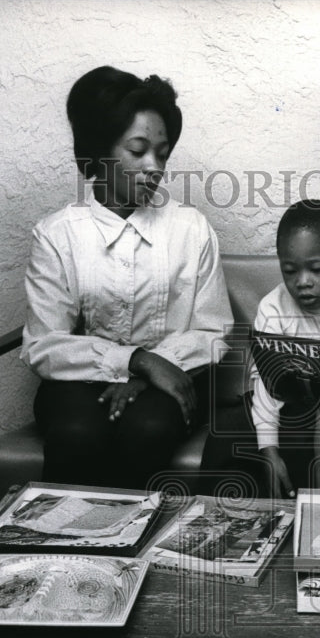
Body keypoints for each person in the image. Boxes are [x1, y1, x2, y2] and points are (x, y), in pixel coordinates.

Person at [21, 66, 233, 489]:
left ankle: (141, 548)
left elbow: (213, 331)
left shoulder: (190, 229)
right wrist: (136, 360)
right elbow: (44, 345)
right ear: (100, 151)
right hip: (78, 383)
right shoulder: (58, 234)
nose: (154, 166)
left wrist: (152, 373)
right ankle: (62, 549)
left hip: (172, 378)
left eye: (162, 152)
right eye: (138, 150)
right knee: (78, 435)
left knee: (147, 431)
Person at [200, 200, 320, 498]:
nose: (302, 282)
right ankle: (212, 517)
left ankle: (302, 524)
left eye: (316, 269)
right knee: (228, 427)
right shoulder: (273, 306)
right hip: (282, 411)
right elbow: (265, 385)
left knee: (315, 437)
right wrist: (269, 449)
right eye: (289, 270)